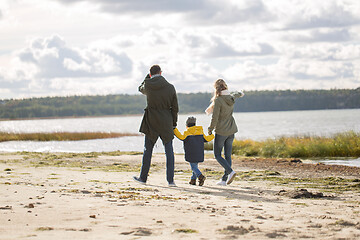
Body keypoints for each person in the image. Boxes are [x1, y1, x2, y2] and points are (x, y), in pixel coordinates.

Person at [133, 65, 179, 187]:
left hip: (152, 120)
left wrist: (146, 78)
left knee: (147, 150)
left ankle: (143, 178)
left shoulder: (148, 85)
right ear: (161, 72)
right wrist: (173, 123)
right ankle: (171, 181)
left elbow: (140, 88)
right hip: (166, 120)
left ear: (150, 73)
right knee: (169, 151)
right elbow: (175, 108)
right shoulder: (170, 87)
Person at [206, 79, 244, 186]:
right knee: (227, 156)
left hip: (221, 131)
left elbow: (215, 117)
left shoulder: (218, 100)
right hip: (231, 130)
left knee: (217, 155)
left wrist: (210, 129)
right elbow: (237, 94)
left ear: (216, 89)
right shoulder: (230, 97)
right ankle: (224, 180)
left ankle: (230, 172)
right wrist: (241, 93)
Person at [174, 116, 214, 186]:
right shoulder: (200, 132)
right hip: (199, 152)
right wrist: (212, 135)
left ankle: (200, 176)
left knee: (193, 167)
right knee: (195, 165)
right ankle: (193, 180)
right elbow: (207, 139)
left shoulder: (187, 132)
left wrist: (174, 129)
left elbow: (181, 137)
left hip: (191, 152)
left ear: (187, 125)